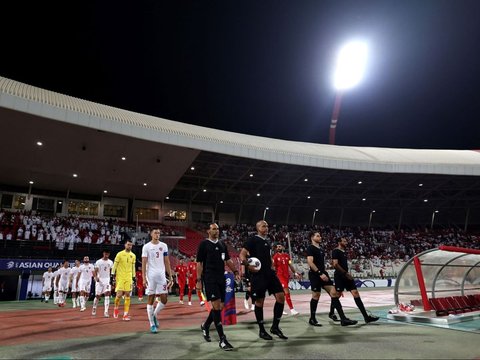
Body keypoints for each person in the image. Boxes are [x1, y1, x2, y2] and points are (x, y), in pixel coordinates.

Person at [239, 220, 288, 340]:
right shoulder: (252, 240)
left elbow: (267, 257)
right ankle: (262, 330)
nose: (266, 228)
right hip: (258, 275)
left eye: (267, 226)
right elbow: (242, 255)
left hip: (270, 274)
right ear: (257, 228)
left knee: (281, 297)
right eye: (263, 226)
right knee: (259, 302)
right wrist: (248, 266)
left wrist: (271, 265)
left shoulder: (267, 241)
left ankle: (275, 327)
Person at [196, 223, 239, 351]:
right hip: (210, 278)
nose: (217, 231)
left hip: (221, 278)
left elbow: (228, 260)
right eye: (214, 229)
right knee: (215, 307)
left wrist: (235, 271)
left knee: (219, 308)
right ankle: (222, 340)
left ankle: (205, 326)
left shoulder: (222, 244)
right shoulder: (204, 244)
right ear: (208, 231)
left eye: (218, 229)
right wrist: (198, 280)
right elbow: (199, 263)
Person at [306, 231, 357, 327]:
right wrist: (319, 273)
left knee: (334, 293)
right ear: (312, 238)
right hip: (315, 274)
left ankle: (343, 319)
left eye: (320, 235)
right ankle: (312, 318)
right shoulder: (310, 248)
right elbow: (310, 262)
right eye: (318, 236)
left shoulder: (321, 249)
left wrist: (324, 271)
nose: (320, 237)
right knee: (316, 296)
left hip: (323, 273)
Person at [328, 237, 379, 324]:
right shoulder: (336, 251)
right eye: (344, 241)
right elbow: (335, 264)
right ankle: (332, 312)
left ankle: (366, 317)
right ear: (339, 242)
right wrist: (345, 273)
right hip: (340, 276)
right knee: (337, 295)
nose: (346, 242)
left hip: (346, 276)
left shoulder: (344, 252)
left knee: (355, 293)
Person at [142, 228, 173, 333]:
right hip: (150, 276)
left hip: (161, 276)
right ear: (151, 234)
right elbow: (144, 263)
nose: (157, 234)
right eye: (155, 233)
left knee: (164, 299)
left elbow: (167, 261)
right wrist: (143, 278)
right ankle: (152, 325)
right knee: (151, 298)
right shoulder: (146, 247)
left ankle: (154, 314)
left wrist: (171, 276)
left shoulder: (163, 246)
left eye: (159, 233)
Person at [272, 243, 301, 315]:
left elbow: (290, 265)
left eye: (279, 246)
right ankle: (292, 309)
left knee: (283, 294)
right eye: (277, 247)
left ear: (283, 247)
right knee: (287, 291)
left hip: (286, 276)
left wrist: (295, 273)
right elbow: (273, 266)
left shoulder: (287, 256)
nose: (278, 248)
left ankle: (280, 309)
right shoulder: (275, 257)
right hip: (280, 276)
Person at [112, 239, 136, 321]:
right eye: (128, 244)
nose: (129, 246)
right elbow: (115, 264)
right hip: (120, 277)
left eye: (131, 245)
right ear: (125, 245)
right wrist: (112, 274)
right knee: (119, 295)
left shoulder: (133, 255)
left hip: (128, 277)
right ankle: (116, 308)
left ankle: (125, 315)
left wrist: (133, 276)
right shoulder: (120, 254)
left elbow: (133, 267)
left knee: (127, 295)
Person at [93, 249, 114, 317]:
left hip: (107, 280)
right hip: (100, 280)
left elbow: (111, 271)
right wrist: (96, 277)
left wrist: (113, 279)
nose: (106, 254)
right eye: (105, 253)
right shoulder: (98, 262)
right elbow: (95, 271)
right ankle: (94, 308)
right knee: (97, 296)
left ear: (109, 254)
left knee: (107, 294)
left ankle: (106, 311)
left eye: (107, 253)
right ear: (103, 253)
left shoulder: (110, 262)